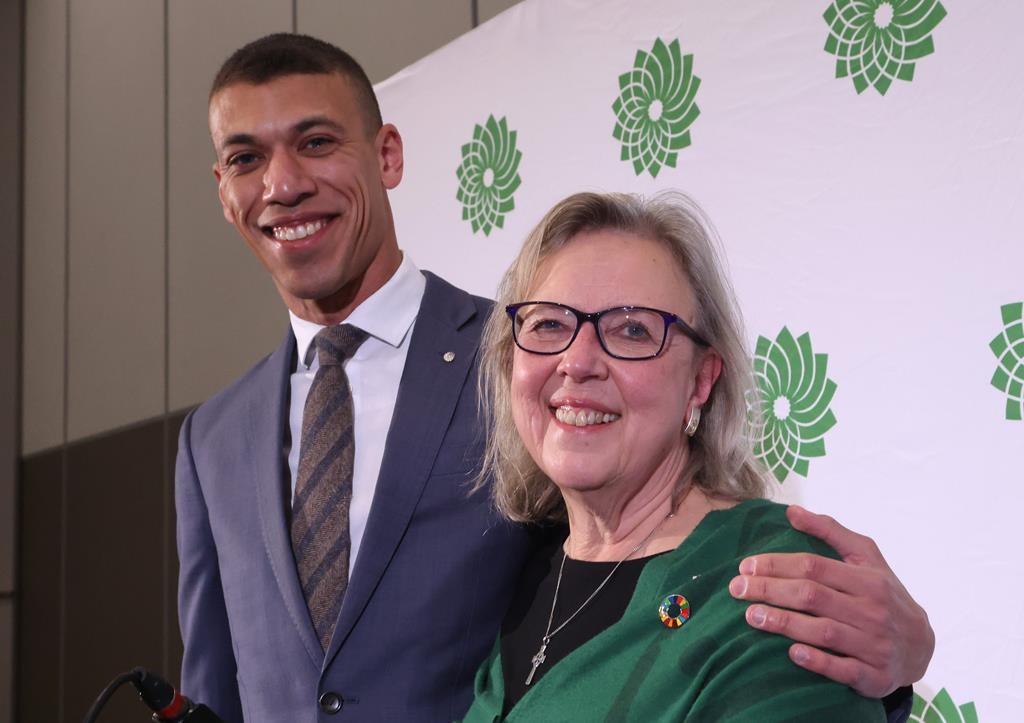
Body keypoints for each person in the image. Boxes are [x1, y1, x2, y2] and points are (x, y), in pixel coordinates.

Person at [177, 32, 932, 722]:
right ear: (221, 189)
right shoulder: (211, 440)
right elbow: (212, 690)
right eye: (245, 159)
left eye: (316, 142)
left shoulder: (517, 361)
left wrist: (894, 664)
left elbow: (733, 615)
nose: (282, 184)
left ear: (388, 155)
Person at [462, 191, 888, 720]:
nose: (578, 361)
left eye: (632, 330)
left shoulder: (779, 582)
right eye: (549, 324)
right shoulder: (521, 566)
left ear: (701, 380)